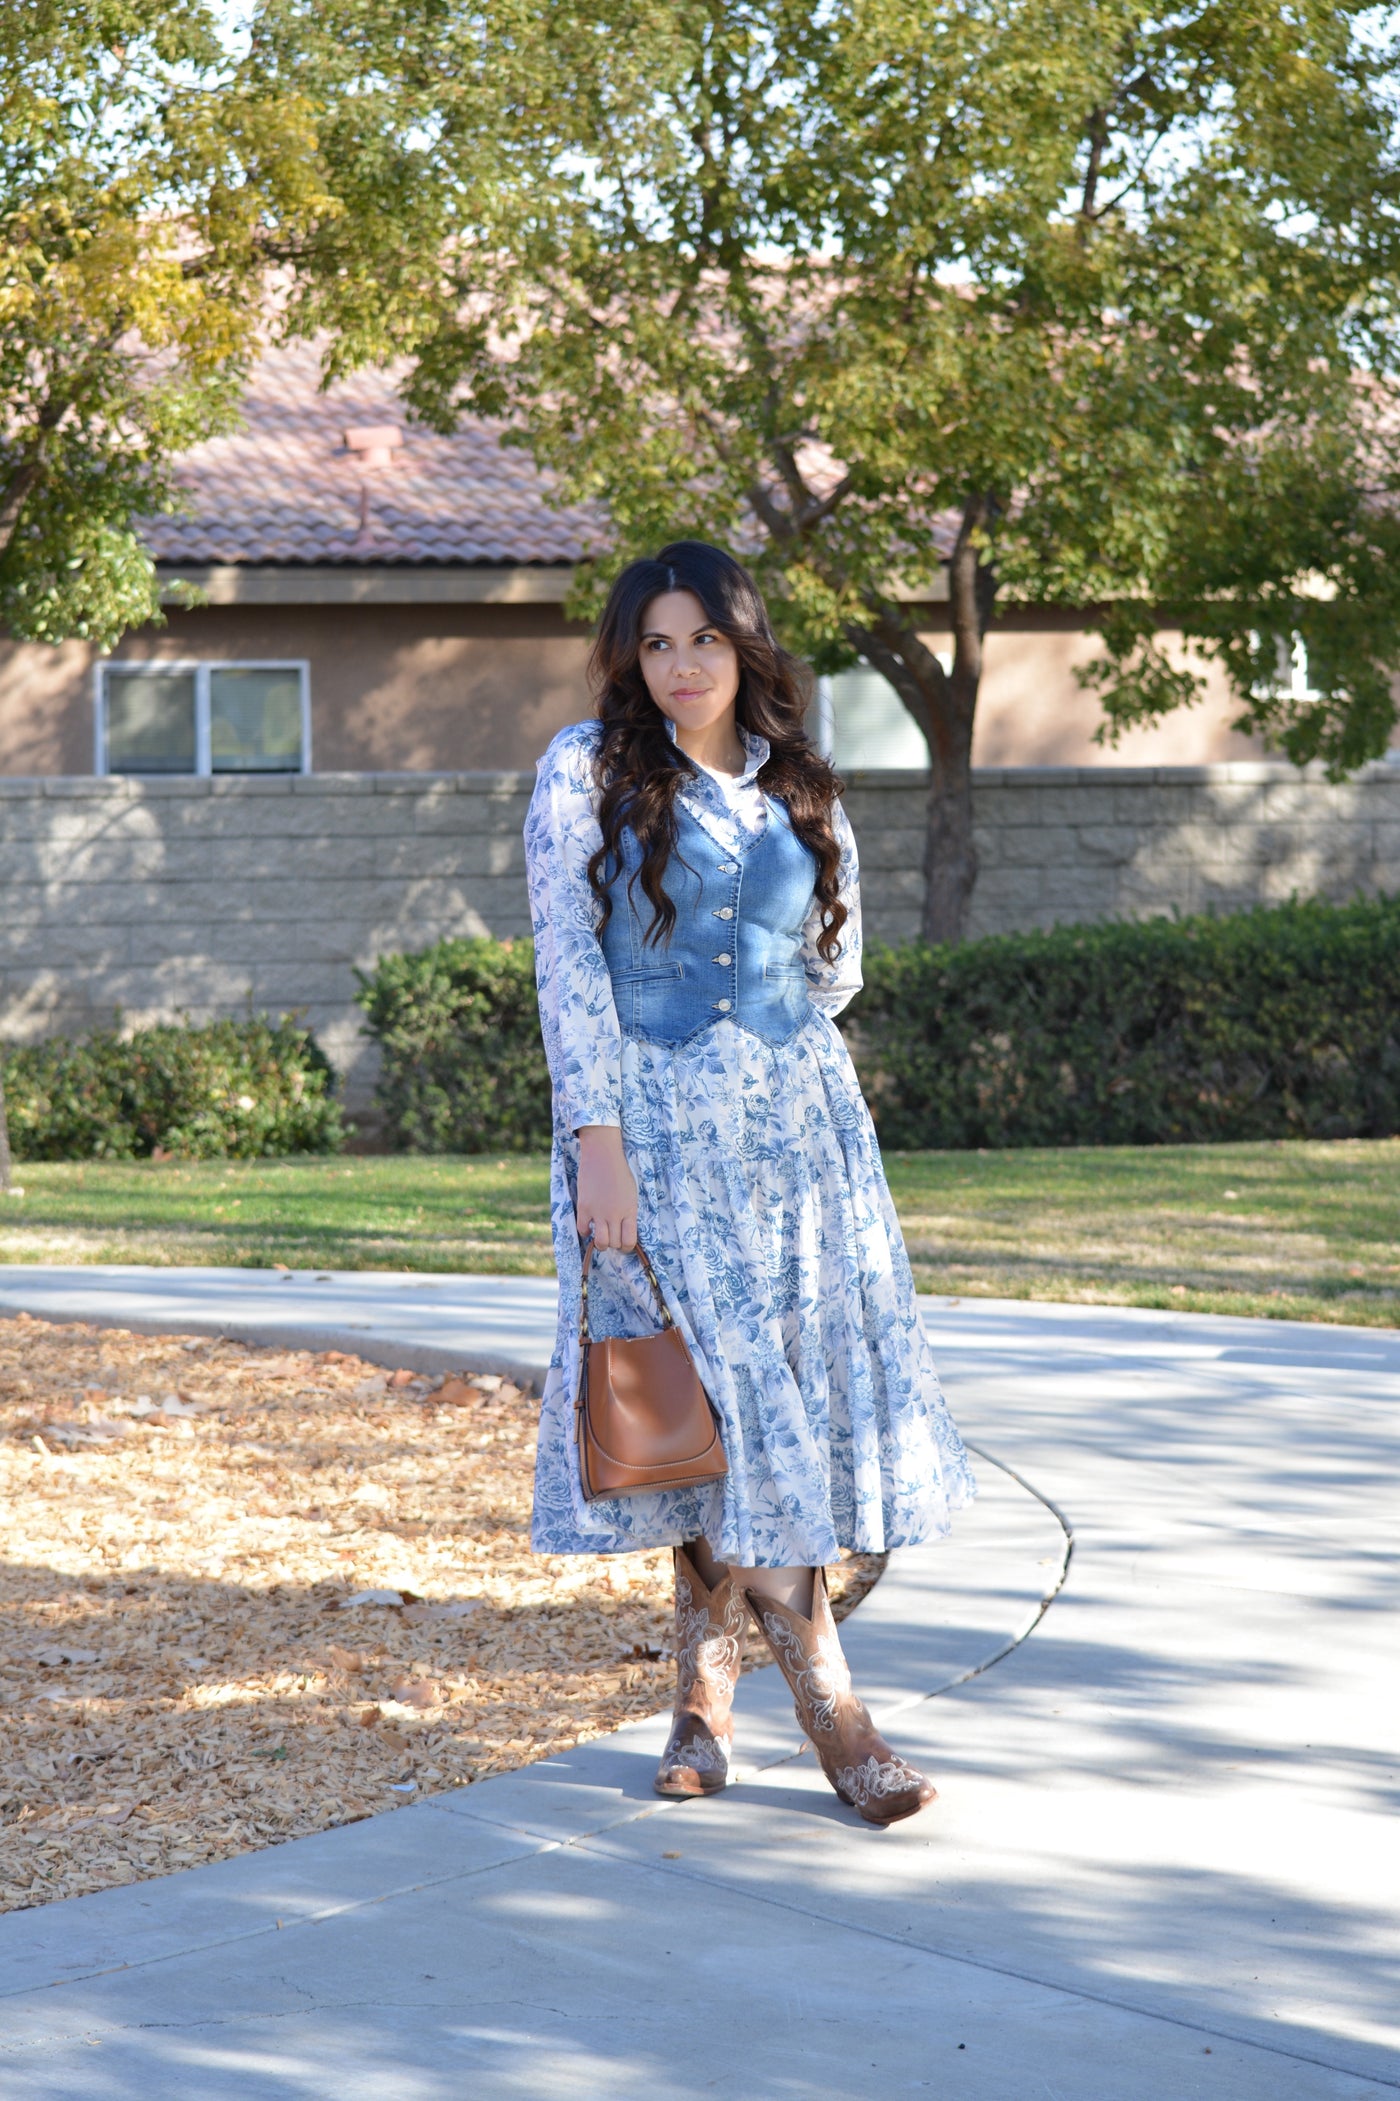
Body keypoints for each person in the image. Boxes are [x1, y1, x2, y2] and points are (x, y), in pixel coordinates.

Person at [524, 540, 976, 1827]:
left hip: (802, 1141)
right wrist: (596, 1139)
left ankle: (699, 1693)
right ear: (629, 655)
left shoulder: (805, 787)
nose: (679, 668)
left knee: (781, 1426)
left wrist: (787, 1054)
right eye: (654, 644)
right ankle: (841, 1724)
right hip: (655, 1139)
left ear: (745, 646)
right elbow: (569, 966)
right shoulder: (585, 770)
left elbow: (837, 970)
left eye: (703, 642)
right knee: (725, 1411)